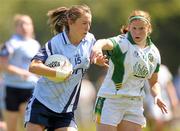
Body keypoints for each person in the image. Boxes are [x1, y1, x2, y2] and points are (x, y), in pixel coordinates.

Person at [91, 10, 168, 131]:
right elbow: (103, 42)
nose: (137, 32)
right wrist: (97, 49)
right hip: (111, 101)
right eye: (134, 28)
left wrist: (157, 95)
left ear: (149, 28)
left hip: (134, 103)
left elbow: (154, 82)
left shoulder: (154, 53)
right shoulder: (122, 42)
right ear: (129, 28)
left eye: (141, 28)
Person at [24, 4, 96, 131]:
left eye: (89, 23)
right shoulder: (56, 43)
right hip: (42, 103)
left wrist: (98, 59)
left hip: (65, 110)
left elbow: (96, 52)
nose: (88, 27)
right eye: (84, 23)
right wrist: (56, 73)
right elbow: (33, 66)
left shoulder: (90, 40)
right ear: (71, 22)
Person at [0, 14, 40, 131]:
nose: (24, 27)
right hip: (12, 88)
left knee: (31, 125)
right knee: (12, 128)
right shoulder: (11, 44)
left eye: (27, 23)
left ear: (32, 27)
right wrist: (20, 72)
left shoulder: (35, 44)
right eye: (21, 24)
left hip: (31, 88)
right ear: (16, 27)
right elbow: (2, 64)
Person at [144, 64, 178, 131]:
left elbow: (169, 86)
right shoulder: (144, 68)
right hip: (151, 98)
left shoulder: (164, 69)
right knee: (157, 119)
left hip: (164, 98)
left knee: (165, 120)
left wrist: (174, 99)